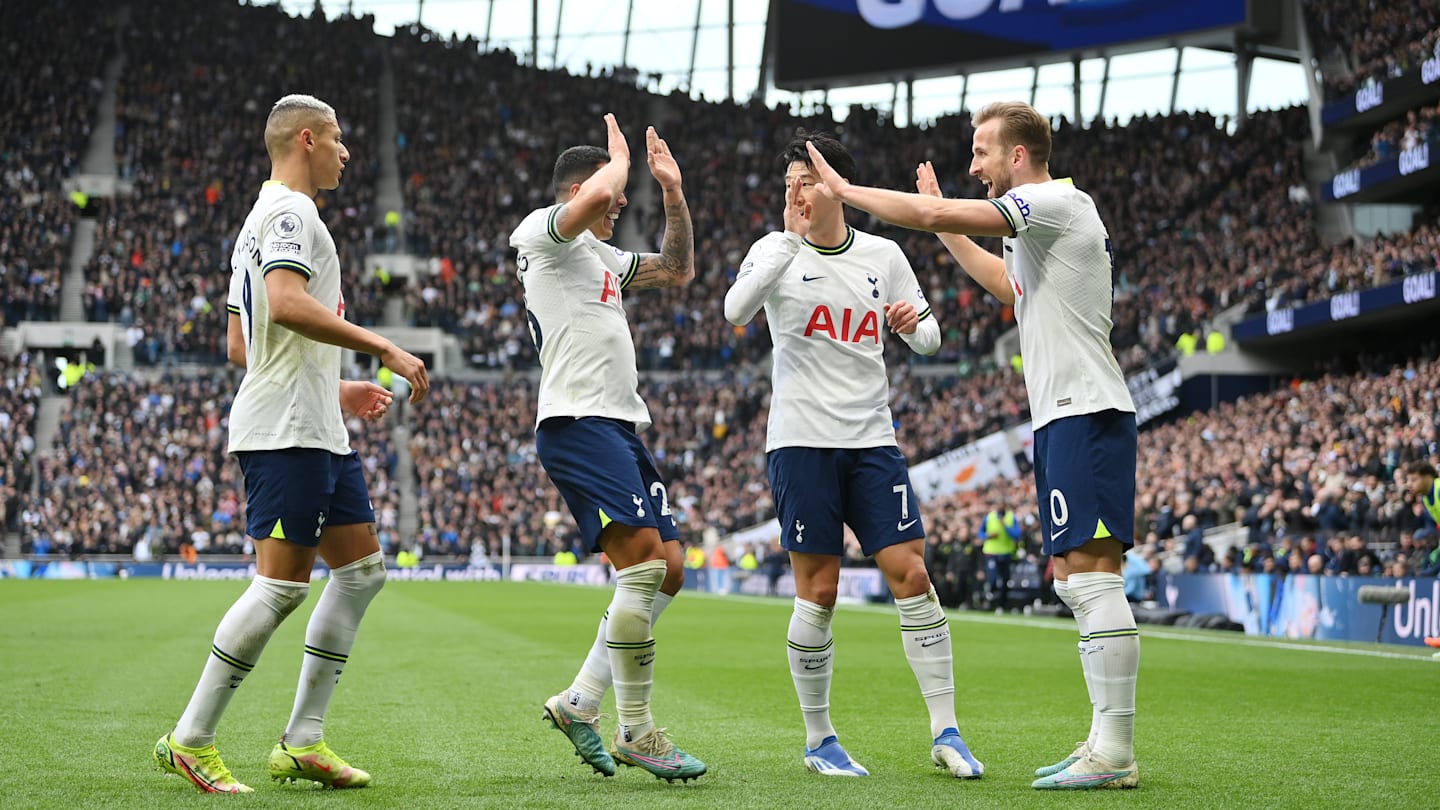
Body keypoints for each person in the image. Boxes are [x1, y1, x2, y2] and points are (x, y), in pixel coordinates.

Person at [803, 101, 1140, 790]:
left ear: (1018, 156)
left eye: (982, 151)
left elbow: (935, 216)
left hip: (1088, 410)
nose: (972, 165)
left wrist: (844, 192)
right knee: (1076, 581)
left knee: (1096, 577)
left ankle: (1116, 752)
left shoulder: (1050, 201)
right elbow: (1005, 290)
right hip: (1061, 416)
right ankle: (1104, 741)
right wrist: (944, 228)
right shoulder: (1040, 225)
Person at [153, 94, 430, 794]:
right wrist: (382, 348)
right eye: (337, 140)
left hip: (316, 427)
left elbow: (240, 341)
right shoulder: (289, 213)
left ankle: (303, 741)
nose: (345, 153)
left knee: (363, 572)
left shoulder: (259, 224)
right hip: (284, 430)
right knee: (280, 587)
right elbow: (282, 304)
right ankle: (191, 738)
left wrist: (334, 389)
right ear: (306, 139)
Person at [724, 131, 984, 780]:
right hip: (801, 443)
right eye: (788, 182)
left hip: (872, 441)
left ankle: (947, 731)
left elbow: (930, 336)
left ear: (837, 184)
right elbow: (734, 310)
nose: (795, 191)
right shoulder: (773, 250)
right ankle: (820, 740)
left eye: (805, 179)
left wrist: (909, 324)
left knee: (913, 576)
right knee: (821, 591)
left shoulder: (884, 254)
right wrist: (785, 241)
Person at [512, 113, 705, 782]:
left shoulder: (600, 256)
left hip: (620, 423)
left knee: (670, 568)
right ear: (580, 190)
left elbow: (677, 270)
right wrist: (619, 162)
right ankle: (637, 730)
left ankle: (579, 701)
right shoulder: (544, 234)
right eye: (613, 203)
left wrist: (672, 195)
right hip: (577, 420)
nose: (618, 212)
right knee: (644, 569)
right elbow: (595, 199)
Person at [978, 500, 1023, 612]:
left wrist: (1005, 526)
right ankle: (989, 597)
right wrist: (988, 535)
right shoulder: (989, 517)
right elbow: (980, 533)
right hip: (991, 552)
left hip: (1006, 552)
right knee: (992, 578)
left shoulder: (1011, 518)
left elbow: (1017, 535)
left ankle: (1001, 604)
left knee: (1005, 580)